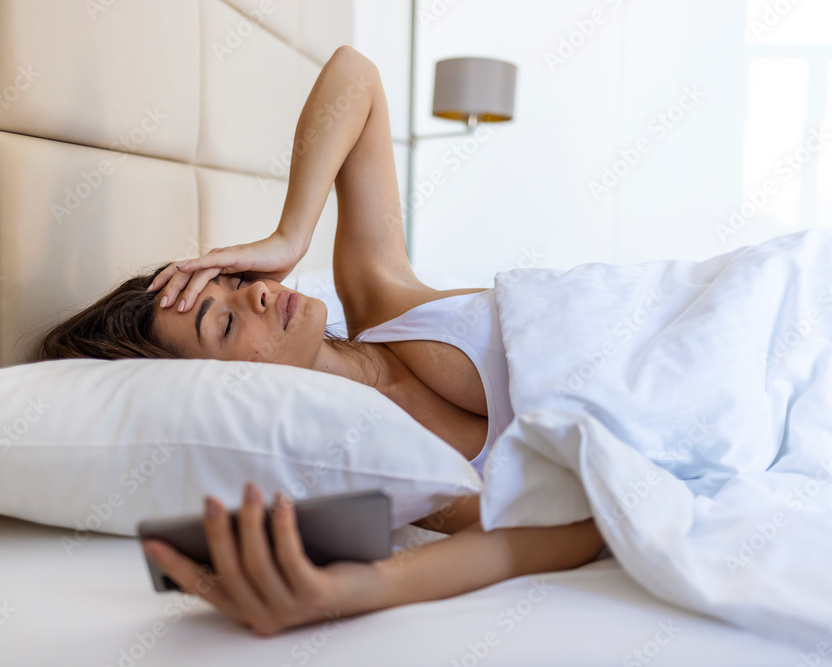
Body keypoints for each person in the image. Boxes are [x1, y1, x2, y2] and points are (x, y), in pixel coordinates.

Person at [35, 45, 605, 636]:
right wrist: (369, 587)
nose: (258, 293)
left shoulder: (381, 298)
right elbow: (567, 526)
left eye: (234, 282)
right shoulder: (388, 463)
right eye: (225, 324)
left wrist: (290, 235)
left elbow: (356, 75)